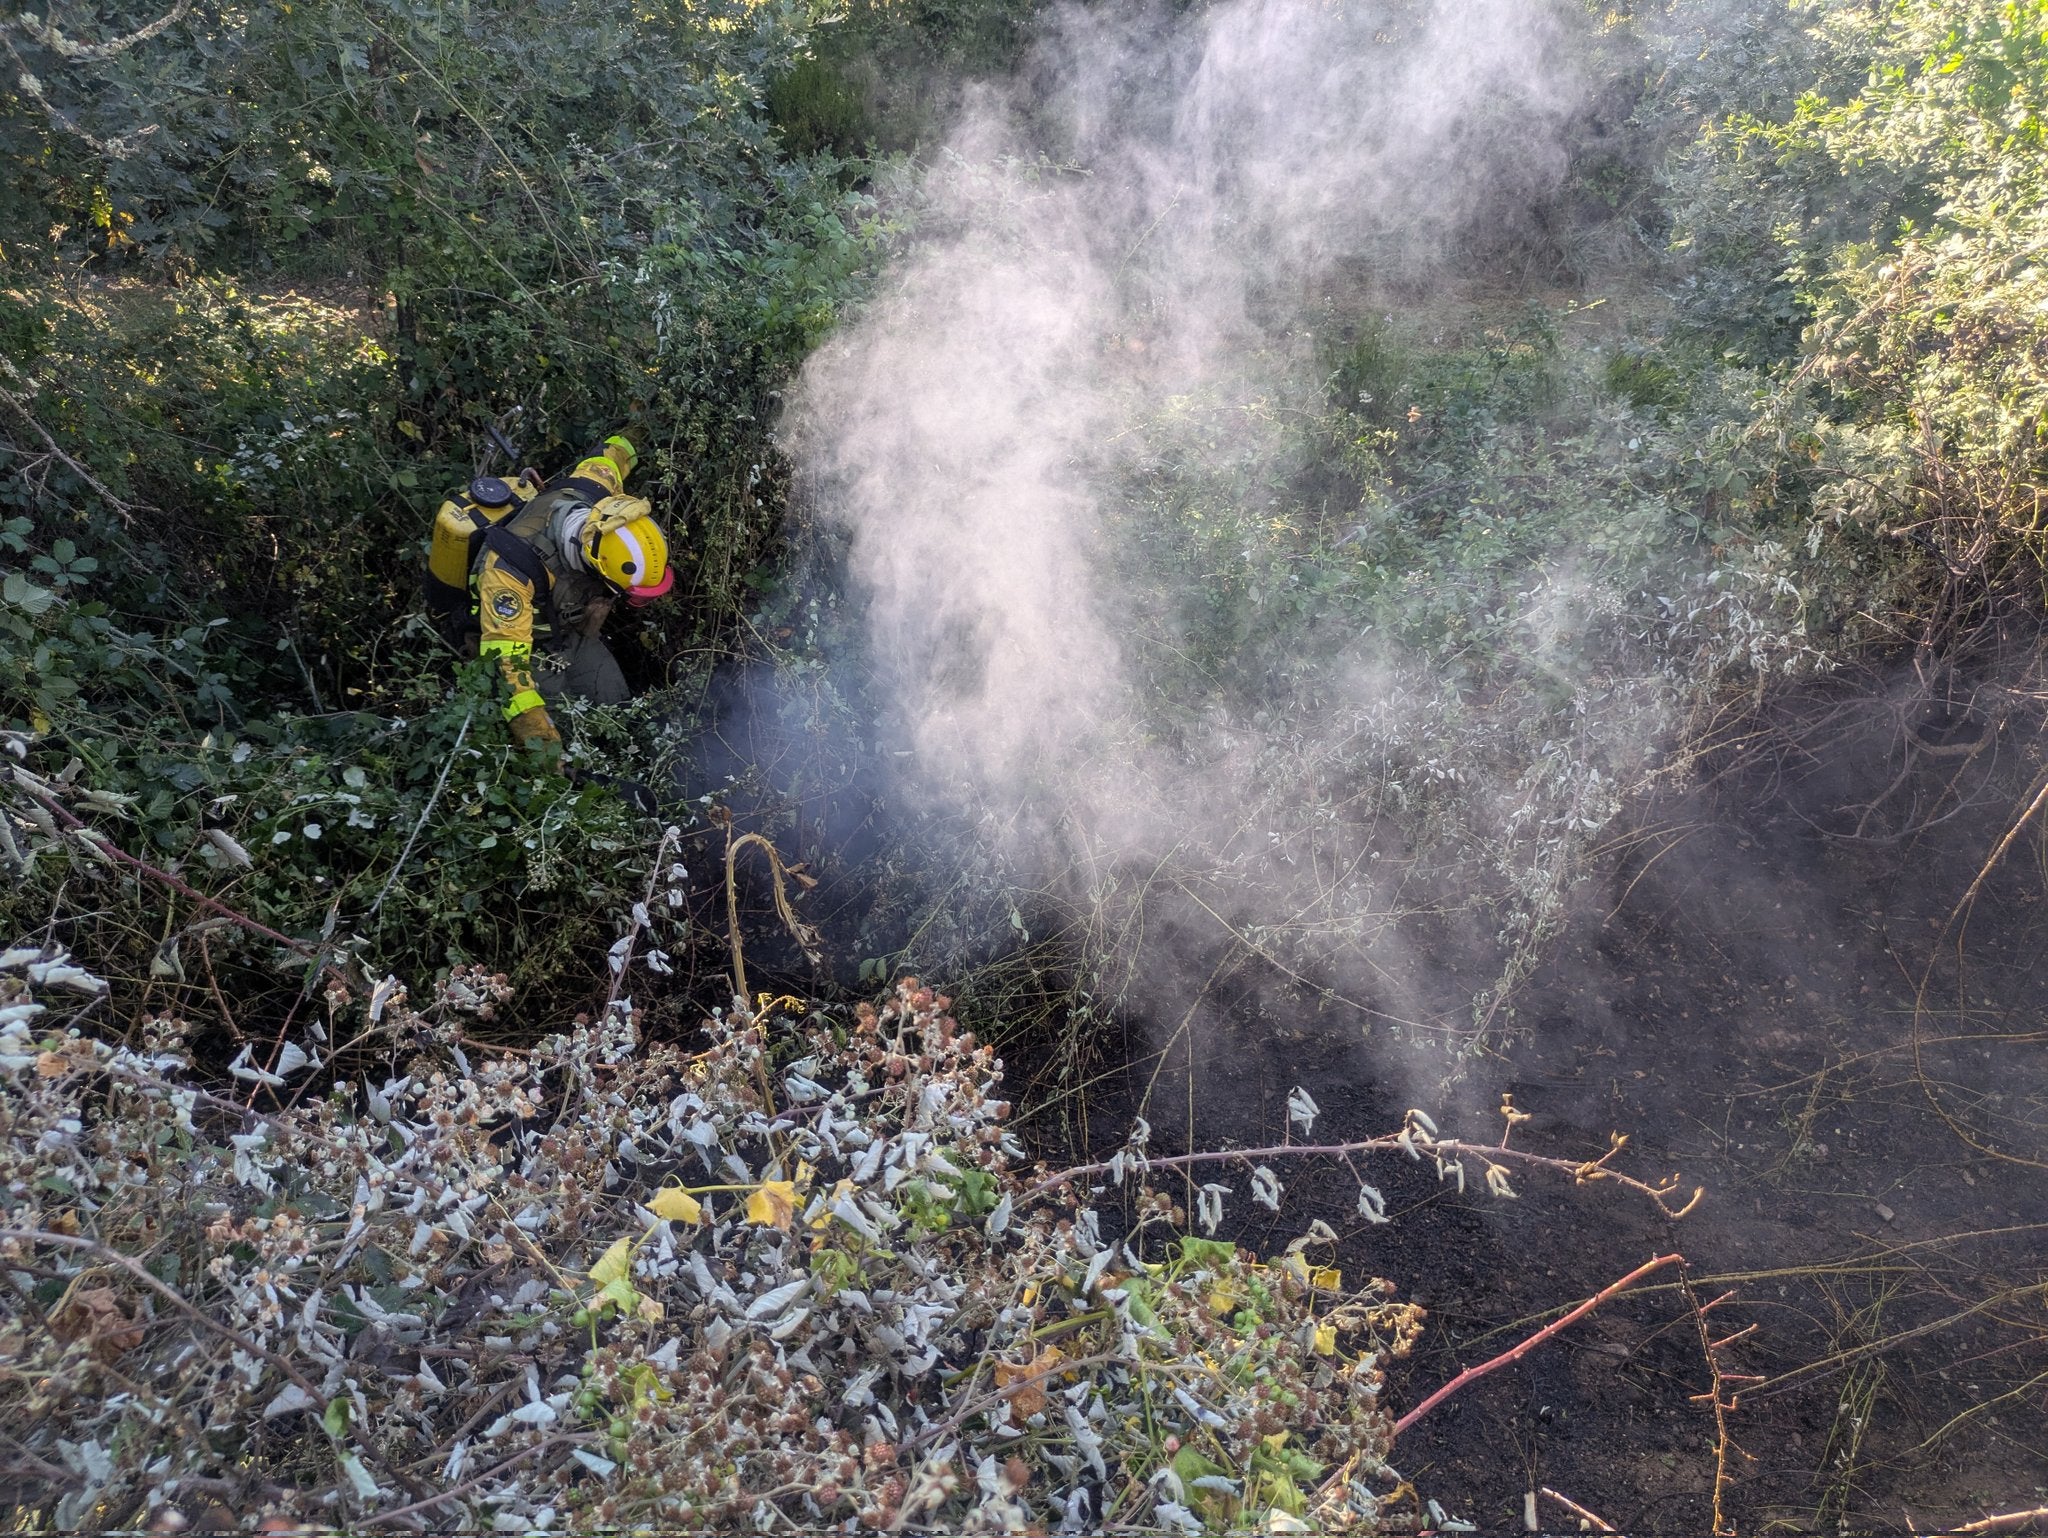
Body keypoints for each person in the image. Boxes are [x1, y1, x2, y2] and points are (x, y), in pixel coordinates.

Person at [465, 434, 675, 759]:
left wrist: (642, 426)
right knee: (567, 731)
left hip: (571, 635)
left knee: (617, 705)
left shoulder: (595, 489)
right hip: (530, 649)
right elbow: (507, 672)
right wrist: (543, 745)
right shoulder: (509, 572)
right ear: (597, 565)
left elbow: (611, 456)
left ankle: (628, 756)